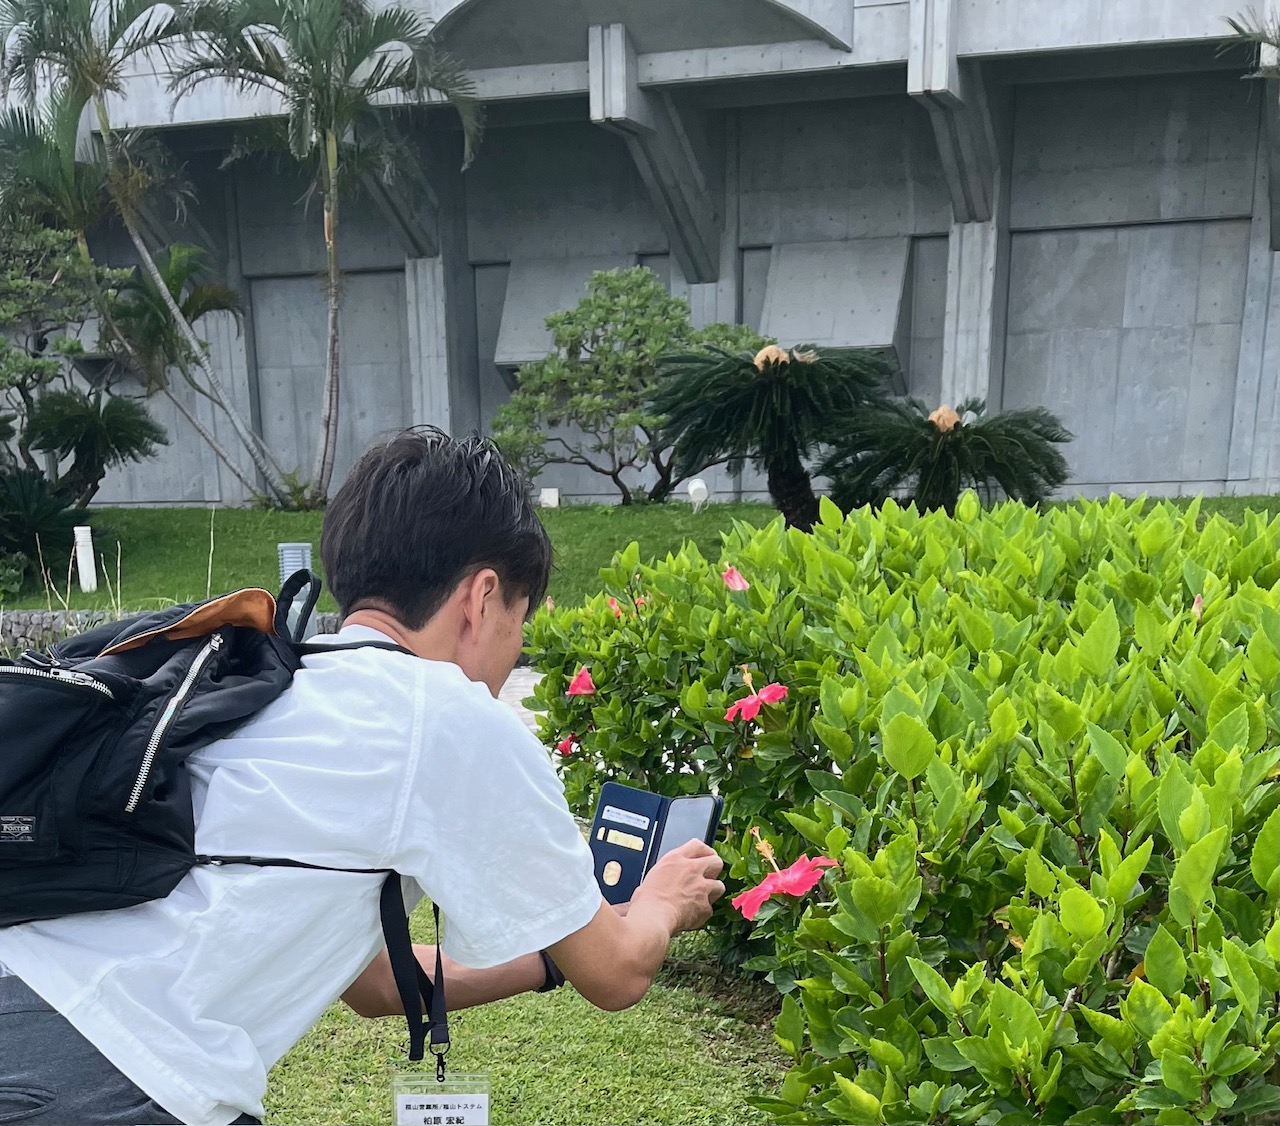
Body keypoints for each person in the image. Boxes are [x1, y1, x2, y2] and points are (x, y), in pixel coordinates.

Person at [0, 428, 725, 1125]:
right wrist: (662, 901)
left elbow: (377, 984)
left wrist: (548, 960)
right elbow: (619, 973)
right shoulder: (447, 715)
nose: (515, 647)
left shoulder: (276, 682)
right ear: (481, 599)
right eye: (520, 620)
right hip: (113, 1078)